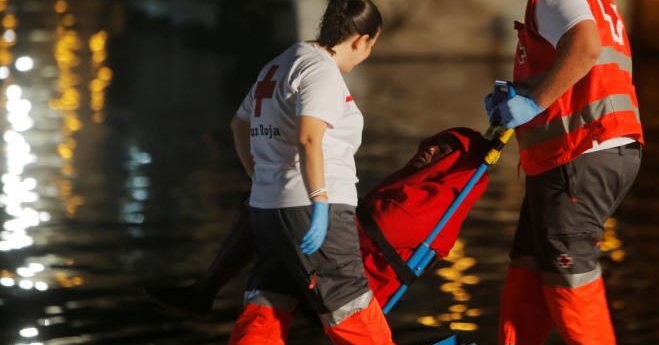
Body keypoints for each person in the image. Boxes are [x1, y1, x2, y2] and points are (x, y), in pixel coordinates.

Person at [208, 0, 466, 345]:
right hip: (310, 206)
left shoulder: (281, 62)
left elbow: (238, 125)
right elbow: (311, 137)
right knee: (350, 303)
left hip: (269, 208)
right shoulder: (322, 72)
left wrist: (262, 178)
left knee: (267, 303)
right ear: (362, 40)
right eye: (371, 46)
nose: (367, 55)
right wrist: (321, 203)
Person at [468, 0, 643, 345]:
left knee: (569, 269)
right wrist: (523, 94)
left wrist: (534, 101)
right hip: (598, 149)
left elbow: (584, 48)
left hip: (580, 153)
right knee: (529, 264)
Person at [146, 128, 488, 313]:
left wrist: (316, 215)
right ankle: (207, 294)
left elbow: (376, 228)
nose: (428, 151)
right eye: (434, 144)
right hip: (340, 261)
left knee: (266, 205)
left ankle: (206, 290)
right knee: (263, 204)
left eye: (443, 151)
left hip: (350, 279)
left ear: (453, 167)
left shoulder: (430, 205)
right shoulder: (414, 189)